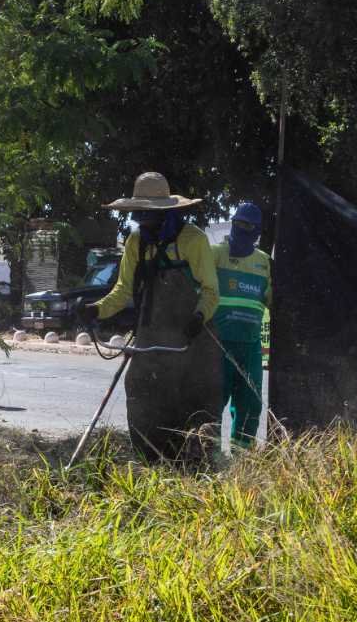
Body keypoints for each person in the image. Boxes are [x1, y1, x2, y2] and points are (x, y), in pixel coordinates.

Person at [79, 172, 220, 462]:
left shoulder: (193, 240)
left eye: (147, 213)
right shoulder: (136, 243)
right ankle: (150, 464)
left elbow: (211, 292)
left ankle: (195, 470)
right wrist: (96, 309)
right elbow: (122, 291)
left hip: (193, 341)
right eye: (139, 213)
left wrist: (198, 317)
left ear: (166, 211)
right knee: (139, 388)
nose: (142, 219)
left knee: (192, 406)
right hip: (152, 338)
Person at [212, 203, 271, 450]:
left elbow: (272, 300)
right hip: (217, 345)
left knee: (250, 405)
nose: (240, 229)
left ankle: (241, 460)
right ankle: (208, 455)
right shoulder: (215, 254)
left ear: (256, 232)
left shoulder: (265, 262)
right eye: (237, 223)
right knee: (213, 402)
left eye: (247, 225)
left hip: (250, 348)